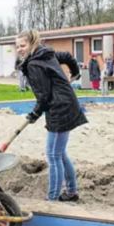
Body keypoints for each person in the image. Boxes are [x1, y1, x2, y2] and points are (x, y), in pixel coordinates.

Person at [16, 29, 87, 202]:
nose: (19, 49)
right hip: (67, 103)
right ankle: (71, 191)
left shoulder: (34, 64)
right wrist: (75, 72)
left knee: (53, 155)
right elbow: (69, 57)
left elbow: (44, 96)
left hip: (59, 108)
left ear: (32, 44)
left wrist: (34, 114)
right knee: (60, 153)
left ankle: (53, 198)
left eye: (22, 45)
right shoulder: (47, 53)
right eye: (17, 46)